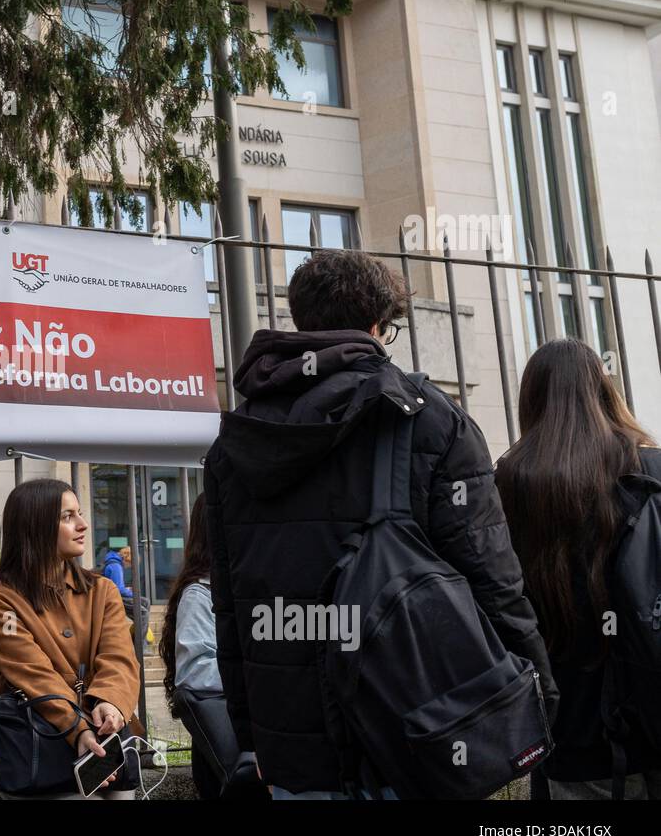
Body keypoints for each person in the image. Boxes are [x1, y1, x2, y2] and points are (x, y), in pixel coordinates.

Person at [203, 249, 556, 799]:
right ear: (377, 323)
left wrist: (255, 738)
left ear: (302, 319)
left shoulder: (234, 442)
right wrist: (536, 692)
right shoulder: (427, 417)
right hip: (419, 730)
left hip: (294, 753)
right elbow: (491, 577)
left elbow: (229, 604)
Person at [496, 338, 661, 799]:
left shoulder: (509, 481)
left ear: (531, 399)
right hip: (650, 711)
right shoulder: (651, 470)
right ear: (606, 392)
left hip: (562, 725)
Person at [0, 479, 141, 799]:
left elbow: (119, 657)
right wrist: (77, 727)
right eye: (67, 516)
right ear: (35, 525)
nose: (82, 524)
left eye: (79, 513)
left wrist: (110, 701)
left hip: (103, 733)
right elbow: (33, 675)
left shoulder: (102, 590)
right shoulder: (1, 601)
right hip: (39, 748)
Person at [159, 493, 261, 800]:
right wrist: (264, 671)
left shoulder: (247, 587)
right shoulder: (200, 594)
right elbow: (195, 674)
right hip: (231, 757)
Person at [101, 545, 150, 642]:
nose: (128, 567)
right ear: (127, 559)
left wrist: (127, 590)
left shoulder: (112, 562)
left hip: (113, 594)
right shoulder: (116, 566)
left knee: (145, 602)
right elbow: (119, 589)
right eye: (130, 564)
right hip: (114, 598)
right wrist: (133, 593)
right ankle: (140, 645)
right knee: (142, 613)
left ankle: (139, 632)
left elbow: (116, 585)